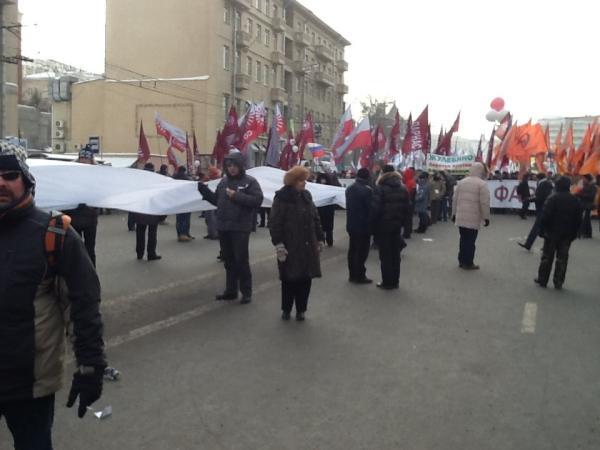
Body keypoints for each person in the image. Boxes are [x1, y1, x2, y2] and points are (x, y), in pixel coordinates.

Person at [0, 143, 106, 449]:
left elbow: (83, 304)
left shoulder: (54, 235)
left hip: (29, 385)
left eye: (10, 174)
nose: (1, 183)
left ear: (26, 180)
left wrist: (90, 365)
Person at [197, 151, 264, 304]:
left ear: (241, 166)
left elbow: (256, 201)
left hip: (240, 227)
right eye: (229, 166)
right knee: (228, 260)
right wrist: (205, 192)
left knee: (241, 260)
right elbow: (217, 201)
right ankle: (231, 290)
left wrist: (236, 196)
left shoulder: (250, 182)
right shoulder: (223, 182)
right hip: (224, 226)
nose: (232, 168)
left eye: (234, 165)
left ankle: (246, 292)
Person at [269, 166, 324, 321]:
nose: (304, 183)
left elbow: (315, 218)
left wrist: (320, 238)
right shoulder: (282, 198)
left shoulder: (307, 196)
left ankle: (301, 309)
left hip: (308, 244)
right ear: (293, 182)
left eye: (304, 180)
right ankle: (286, 309)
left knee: (305, 279)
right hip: (290, 245)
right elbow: (275, 222)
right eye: (301, 180)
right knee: (289, 279)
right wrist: (279, 244)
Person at [535, 176, 582, 289]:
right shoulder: (574, 200)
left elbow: (545, 216)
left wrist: (541, 230)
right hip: (567, 234)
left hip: (551, 233)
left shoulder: (553, 198)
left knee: (547, 257)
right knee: (562, 259)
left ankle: (543, 279)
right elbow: (578, 219)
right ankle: (558, 281)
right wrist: (575, 233)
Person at [369, 165, 409, 289]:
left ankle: (387, 282)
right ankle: (395, 281)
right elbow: (407, 208)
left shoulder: (380, 188)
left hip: (383, 225)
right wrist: (403, 223)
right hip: (397, 225)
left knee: (385, 255)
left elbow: (375, 208)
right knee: (395, 254)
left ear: (383, 173)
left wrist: (371, 225)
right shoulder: (403, 188)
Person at [63, 146, 99, 266]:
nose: (83, 161)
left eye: (86, 158)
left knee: (89, 249)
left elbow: (99, 193)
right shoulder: (70, 173)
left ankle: (91, 275)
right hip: (74, 217)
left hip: (90, 218)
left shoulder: (96, 174)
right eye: (82, 158)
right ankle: (77, 276)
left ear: (91, 160)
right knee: (75, 249)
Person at [452, 162, 491, 270]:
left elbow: (454, 199)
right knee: (470, 241)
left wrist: (454, 214)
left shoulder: (461, 182)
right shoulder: (482, 184)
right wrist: (486, 217)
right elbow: (484, 202)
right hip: (473, 218)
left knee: (463, 239)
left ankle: (461, 260)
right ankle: (468, 262)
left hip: (461, 217)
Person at [345, 168, 373, 284]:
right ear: (367, 177)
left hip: (351, 224)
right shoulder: (367, 191)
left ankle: (352, 274)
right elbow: (370, 209)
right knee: (362, 252)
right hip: (363, 226)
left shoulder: (350, 188)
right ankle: (360, 275)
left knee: (352, 250)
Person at [133, 162, 163, 260]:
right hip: (152, 211)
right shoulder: (156, 180)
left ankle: (139, 253)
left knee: (140, 233)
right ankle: (151, 253)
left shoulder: (138, 181)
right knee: (152, 234)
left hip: (140, 211)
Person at [518, 173, 554, 250]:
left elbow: (541, 197)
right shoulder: (545, 183)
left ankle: (528, 244)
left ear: (538, 178)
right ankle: (547, 245)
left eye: (535, 177)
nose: (534, 178)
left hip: (543, 209)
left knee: (536, 228)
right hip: (545, 209)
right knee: (544, 229)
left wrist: (529, 199)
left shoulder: (544, 184)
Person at [173, 166, 194, 242]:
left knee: (179, 218)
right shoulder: (187, 178)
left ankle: (180, 234)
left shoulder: (173, 178)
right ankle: (185, 234)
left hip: (177, 200)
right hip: (186, 200)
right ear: (184, 171)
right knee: (186, 218)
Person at [316, 173, 336, 247]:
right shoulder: (317, 187)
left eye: (324, 179)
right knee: (321, 226)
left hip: (328, 210)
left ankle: (329, 240)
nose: (323, 180)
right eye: (321, 179)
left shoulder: (331, 187)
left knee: (329, 227)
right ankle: (322, 240)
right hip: (320, 209)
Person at [575, 174, 597, 239]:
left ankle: (582, 232)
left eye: (584, 179)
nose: (583, 180)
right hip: (583, 204)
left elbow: (591, 196)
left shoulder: (593, 187)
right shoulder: (584, 186)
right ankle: (588, 233)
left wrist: (580, 195)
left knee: (585, 219)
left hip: (588, 205)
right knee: (586, 219)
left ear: (588, 179)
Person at [402, 168, 416, 239]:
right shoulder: (410, 181)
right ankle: (408, 231)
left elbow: (412, 193)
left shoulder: (410, 182)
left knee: (407, 218)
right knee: (408, 218)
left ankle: (407, 233)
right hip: (410, 202)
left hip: (408, 202)